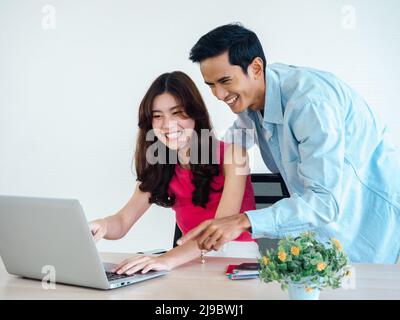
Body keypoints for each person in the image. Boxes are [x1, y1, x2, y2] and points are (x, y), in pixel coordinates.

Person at [178, 23, 400, 264]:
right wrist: (174, 146)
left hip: (378, 228)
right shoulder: (253, 100)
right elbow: (228, 145)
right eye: (211, 85)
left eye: (225, 81)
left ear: (255, 68)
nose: (219, 95)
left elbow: (324, 202)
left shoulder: (310, 104)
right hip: (329, 237)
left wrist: (244, 220)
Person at [89, 71, 258, 275]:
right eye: (157, 116)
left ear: (195, 113)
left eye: (177, 113)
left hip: (236, 259)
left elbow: (218, 232)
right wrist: (103, 225)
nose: (167, 124)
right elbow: (123, 222)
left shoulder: (234, 154)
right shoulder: (160, 164)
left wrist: (166, 259)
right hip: (187, 260)